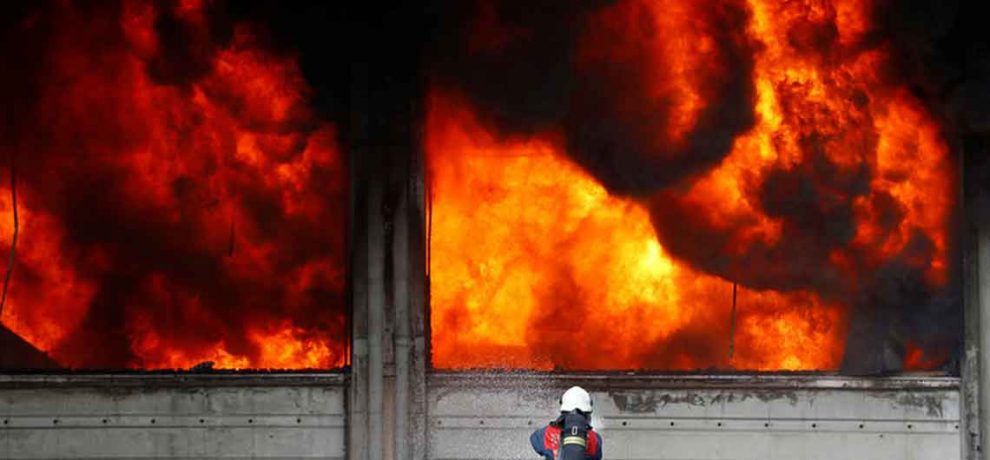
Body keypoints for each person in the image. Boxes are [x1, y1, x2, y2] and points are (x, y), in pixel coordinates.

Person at [530, 386, 603, 460]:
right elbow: (597, 455)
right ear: (587, 414)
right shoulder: (595, 438)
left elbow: (534, 439)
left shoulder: (544, 433)